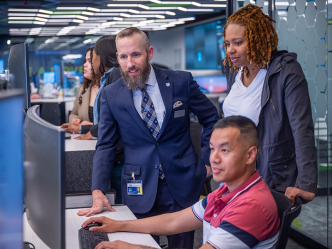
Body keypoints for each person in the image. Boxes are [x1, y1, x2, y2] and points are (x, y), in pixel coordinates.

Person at [77, 27, 220, 248]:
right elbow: (105, 145)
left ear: (149, 53)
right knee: (140, 244)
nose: (130, 64)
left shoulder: (181, 81)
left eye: (136, 55)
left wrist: (208, 161)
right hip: (139, 186)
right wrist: (98, 189)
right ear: (118, 57)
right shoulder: (111, 94)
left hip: (182, 183)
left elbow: (211, 118)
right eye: (123, 57)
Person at [82, 116, 280, 249]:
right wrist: (118, 225)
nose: (214, 158)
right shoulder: (225, 193)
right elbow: (173, 221)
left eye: (225, 150)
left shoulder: (251, 206)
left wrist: (133, 248)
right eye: (212, 149)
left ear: (250, 154)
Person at [221, 4, 317, 205]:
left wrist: (306, 183)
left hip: (269, 175)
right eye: (227, 44)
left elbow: (302, 128)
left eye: (238, 43)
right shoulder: (235, 72)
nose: (231, 50)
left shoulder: (285, 71)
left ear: (257, 40)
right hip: (235, 174)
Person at [71, 35, 122, 140]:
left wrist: (88, 131)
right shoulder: (108, 78)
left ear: (102, 57)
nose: (91, 62)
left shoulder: (115, 76)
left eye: (92, 57)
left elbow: (112, 119)